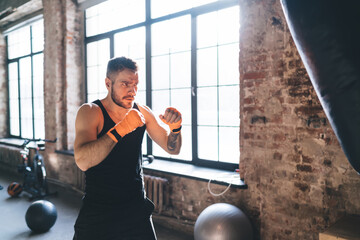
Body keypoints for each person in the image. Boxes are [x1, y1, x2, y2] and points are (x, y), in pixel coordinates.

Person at [73, 56, 182, 240]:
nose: (132, 91)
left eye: (135, 84)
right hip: (99, 211)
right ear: (108, 83)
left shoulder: (143, 112)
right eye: (125, 84)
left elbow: (172, 148)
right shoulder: (91, 112)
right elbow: (83, 161)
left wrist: (176, 128)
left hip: (135, 209)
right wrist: (121, 129)